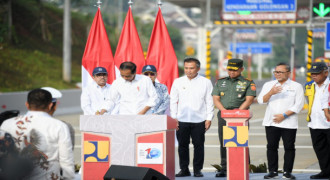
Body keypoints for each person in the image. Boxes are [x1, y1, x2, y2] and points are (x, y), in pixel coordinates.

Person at [0, 88, 75, 179]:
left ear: (27, 104)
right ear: (50, 105)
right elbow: (66, 160)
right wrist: (68, 178)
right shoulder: (59, 126)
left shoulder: (7, 123)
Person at [257, 63, 304, 179]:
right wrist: (270, 93)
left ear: (288, 73)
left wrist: (284, 115)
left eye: (280, 72)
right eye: (276, 72)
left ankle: (287, 172)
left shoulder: (296, 86)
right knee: (271, 147)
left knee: (289, 147)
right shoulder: (269, 85)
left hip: (289, 122)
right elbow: (260, 101)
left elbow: (299, 105)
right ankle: (273, 171)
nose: (277, 74)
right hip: (271, 122)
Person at [212, 58, 256, 177]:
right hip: (224, 115)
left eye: (235, 70)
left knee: (240, 142)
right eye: (230, 69)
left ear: (241, 69)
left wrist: (237, 113)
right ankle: (225, 168)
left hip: (240, 117)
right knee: (224, 142)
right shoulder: (220, 82)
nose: (231, 72)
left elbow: (249, 99)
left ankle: (244, 166)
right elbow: (216, 98)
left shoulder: (248, 82)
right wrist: (225, 112)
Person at [170, 57, 214, 177]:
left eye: (191, 68)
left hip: (199, 120)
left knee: (198, 146)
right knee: (182, 146)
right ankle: (184, 169)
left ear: (198, 68)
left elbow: (209, 101)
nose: (188, 71)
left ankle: (197, 170)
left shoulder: (206, 82)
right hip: (181, 120)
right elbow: (173, 100)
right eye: (186, 68)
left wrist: (209, 118)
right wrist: (174, 117)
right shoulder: (178, 82)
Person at [305, 62, 330, 179]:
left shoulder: (329, 84)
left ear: (325, 73)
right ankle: (325, 171)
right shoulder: (309, 86)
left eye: (317, 73)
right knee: (320, 150)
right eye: (312, 74)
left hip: (328, 123)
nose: (314, 76)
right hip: (315, 123)